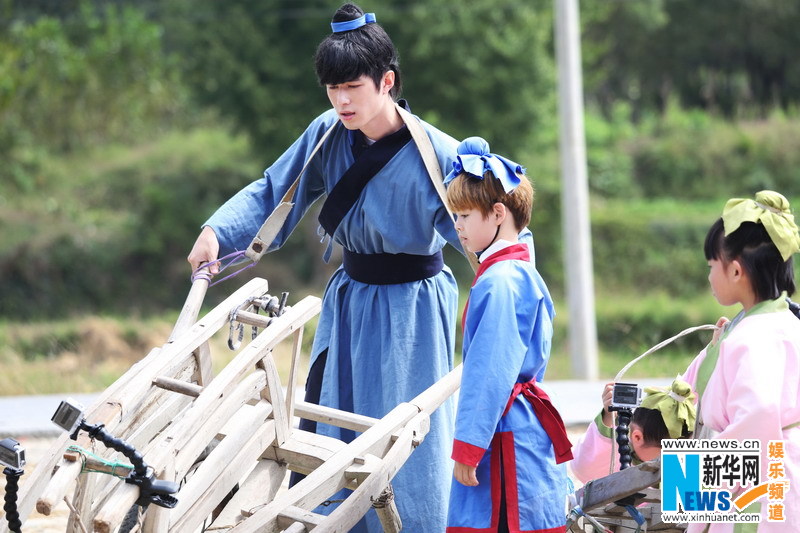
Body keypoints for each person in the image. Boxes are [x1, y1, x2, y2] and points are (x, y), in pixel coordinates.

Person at [187, 4, 480, 531]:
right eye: (332, 88)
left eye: (352, 87)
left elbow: (491, 230)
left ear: (386, 81)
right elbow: (274, 190)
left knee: (406, 437)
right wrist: (216, 232)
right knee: (333, 424)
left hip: (412, 307)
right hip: (349, 299)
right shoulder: (327, 133)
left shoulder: (439, 153)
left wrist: (506, 280)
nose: (342, 100)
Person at [443, 137, 571, 533]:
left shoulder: (501, 280)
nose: (457, 225)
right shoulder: (517, 268)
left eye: (465, 214)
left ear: (498, 213)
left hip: (503, 436)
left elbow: (489, 371)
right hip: (516, 426)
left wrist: (468, 446)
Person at [678, 190, 800, 532]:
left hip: (757, 489)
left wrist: (687, 479)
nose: (709, 276)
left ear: (734, 271)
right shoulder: (782, 323)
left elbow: (758, 415)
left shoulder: (753, 335)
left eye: (711, 266)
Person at [570, 378, 696, 483]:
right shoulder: (616, 450)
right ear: (637, 437)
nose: (669, 463)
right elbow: (583, 468)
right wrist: (609, 416)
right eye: (661, 459)